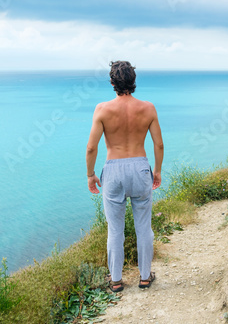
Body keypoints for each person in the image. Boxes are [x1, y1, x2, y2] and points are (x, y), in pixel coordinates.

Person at [86, 60, 164, 292]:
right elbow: (158, 144)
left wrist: (90, 175)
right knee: (144, 227)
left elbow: (91, 148)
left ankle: (117, 280)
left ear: (112, 83)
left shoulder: (102, 109)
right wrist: (157, 170)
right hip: (140, 168)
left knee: (115, 229)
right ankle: (144, 277)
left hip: (114, 169)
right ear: (134, 82)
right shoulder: (148, 108)